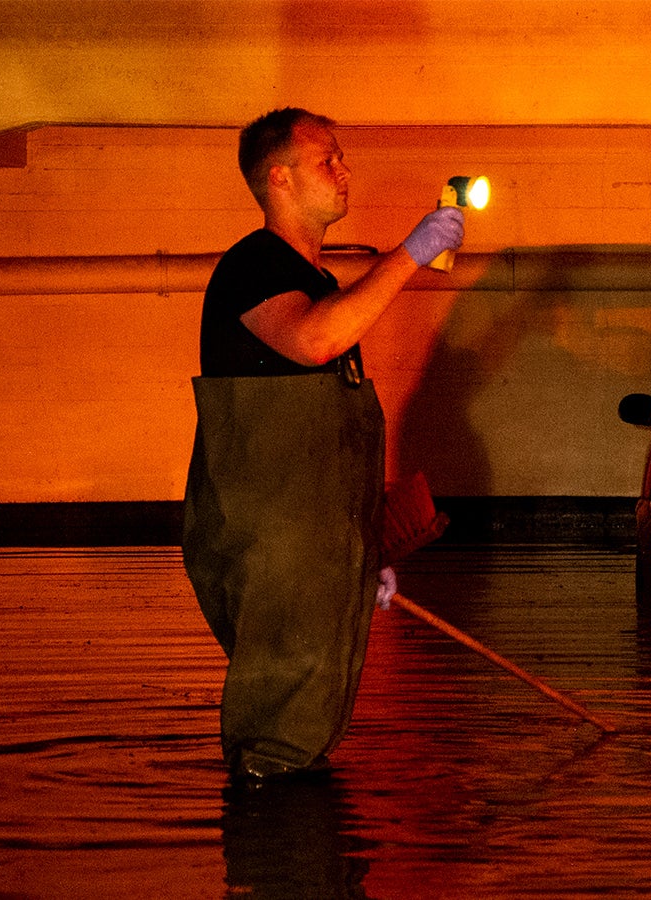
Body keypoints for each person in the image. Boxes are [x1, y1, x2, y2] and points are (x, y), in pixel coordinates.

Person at [182, 108, 465, 782]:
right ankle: (271, 861)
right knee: (276, 741)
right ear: (278, 178)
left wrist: (357, 559)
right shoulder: (253, 266)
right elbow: (315, 342)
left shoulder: (318, 284)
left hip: (312, 543)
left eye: (342, 158)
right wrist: (411, 253)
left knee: (303, 726)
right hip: (272, 539)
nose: (345, 172)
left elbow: (329, 438)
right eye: (326, 159)